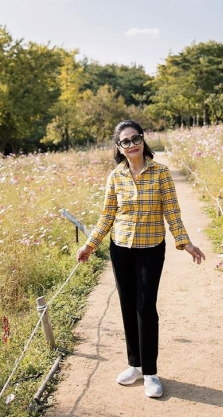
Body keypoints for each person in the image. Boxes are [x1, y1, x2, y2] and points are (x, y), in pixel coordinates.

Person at [76, 120, 205, 399]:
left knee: (146, 307)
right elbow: (107, 216)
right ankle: (133, 365)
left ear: (143, 141)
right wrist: (90, 245)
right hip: (120, 248)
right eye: (125, 141)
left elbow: (172, 211)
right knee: (127, 307)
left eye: (136, 139)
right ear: (119, 148)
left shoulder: (160, 173)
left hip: (150, 248)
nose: (132, 144)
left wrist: (185, 243)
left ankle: (150, 372)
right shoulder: (116, 176)